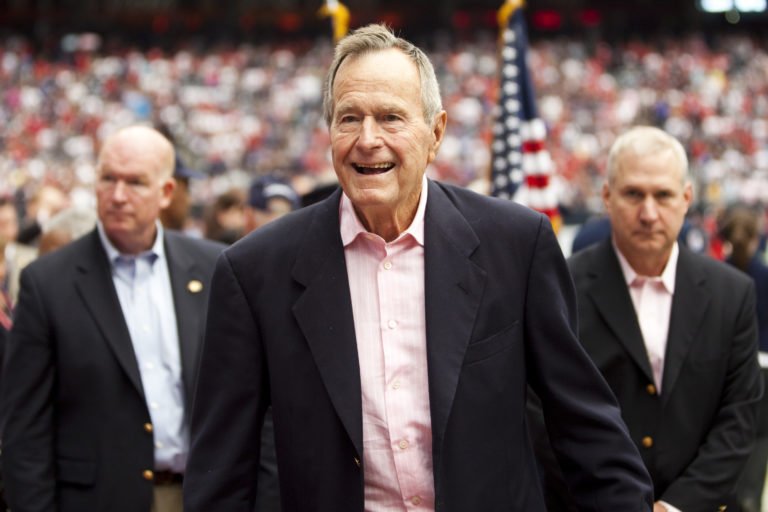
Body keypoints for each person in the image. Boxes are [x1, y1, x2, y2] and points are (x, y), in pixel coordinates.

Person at [184, 24, 653, 511]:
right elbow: (221, 472)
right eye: (349, 118)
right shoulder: (253, 272)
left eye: (390, 118)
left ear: (436, 133)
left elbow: (583, 425)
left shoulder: (516, 245)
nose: (368, 139)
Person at [1, 125, 225, 512]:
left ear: (166, 192)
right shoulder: (48, 283)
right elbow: (25, 429)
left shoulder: (213, 268)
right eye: (108, 179)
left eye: (135, 182)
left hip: (200, 496)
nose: (118, 195)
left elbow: (250, 402)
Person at [563, 126, 762, 511]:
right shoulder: (561, 287)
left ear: (686, 199)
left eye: (663, 195)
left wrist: (675, 506)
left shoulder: (732, 295)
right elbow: (543, 418)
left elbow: (738, 420)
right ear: (606, 197)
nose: (649, 213)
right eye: (633, 194)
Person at [718, 205, 768, 512]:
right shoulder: (763, 275)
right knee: (760, 434)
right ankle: (749, 498)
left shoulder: (716, 274)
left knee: (727, 431)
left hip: (725, 366)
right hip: (762, 365)